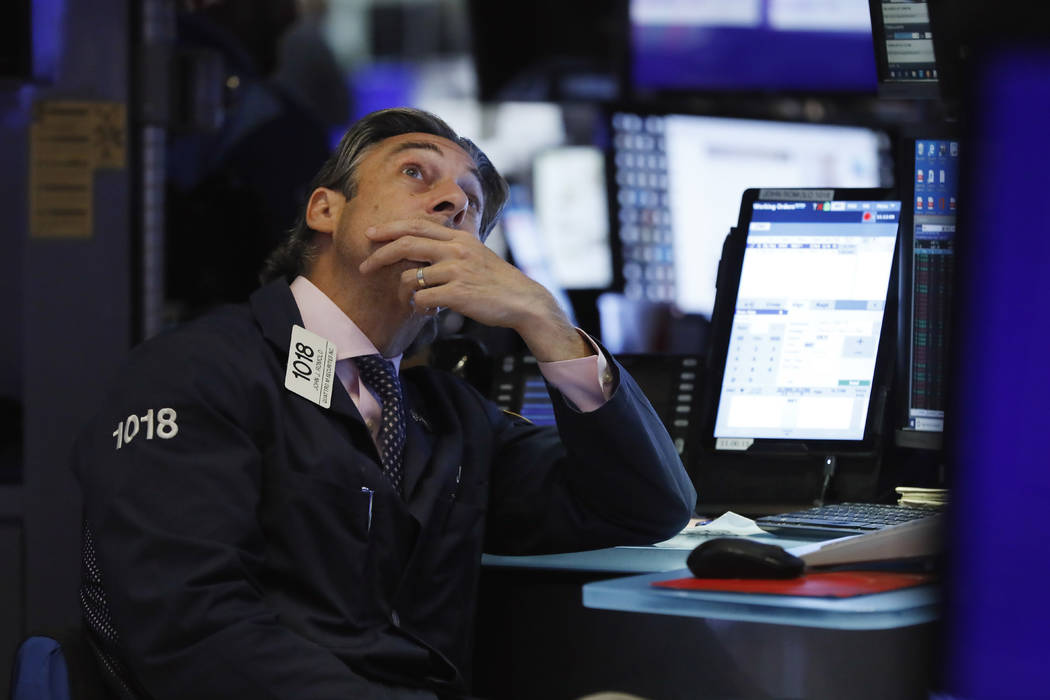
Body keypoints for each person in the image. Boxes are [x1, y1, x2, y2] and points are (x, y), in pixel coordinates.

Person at [72, 107, 696, 700]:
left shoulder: (446, 417)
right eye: (415, 172)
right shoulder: (200, 370)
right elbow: (194, 631)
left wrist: (547, 323)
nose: (453, 202)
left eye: (471, 204)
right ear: (325, 210)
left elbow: (645, 508)